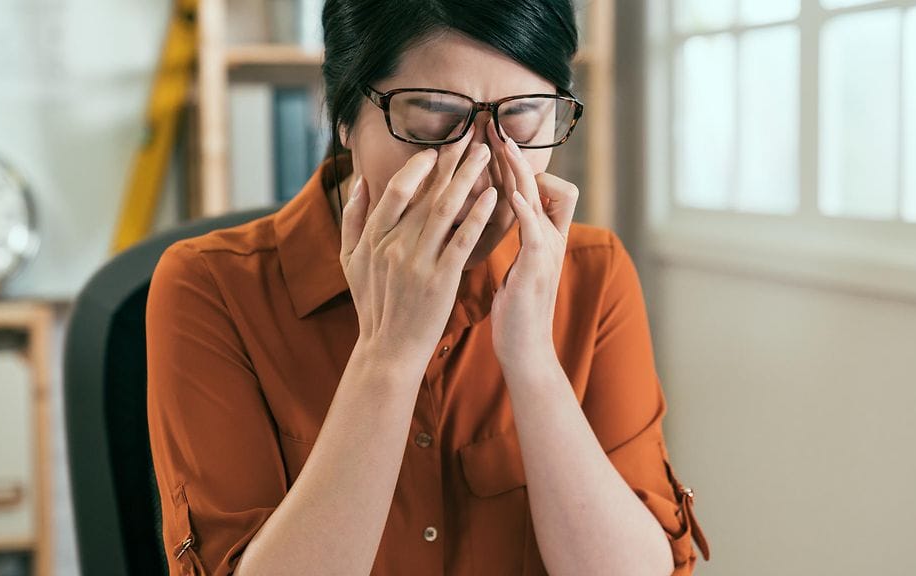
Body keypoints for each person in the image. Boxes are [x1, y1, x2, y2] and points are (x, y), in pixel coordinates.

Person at [146, 1, 708, 574]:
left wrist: (533, 360)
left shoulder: (596, 273)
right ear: (343, 116)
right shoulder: (208, 287)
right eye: (434, 118)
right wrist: (387, 356)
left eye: (522, 119)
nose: (482, 163)